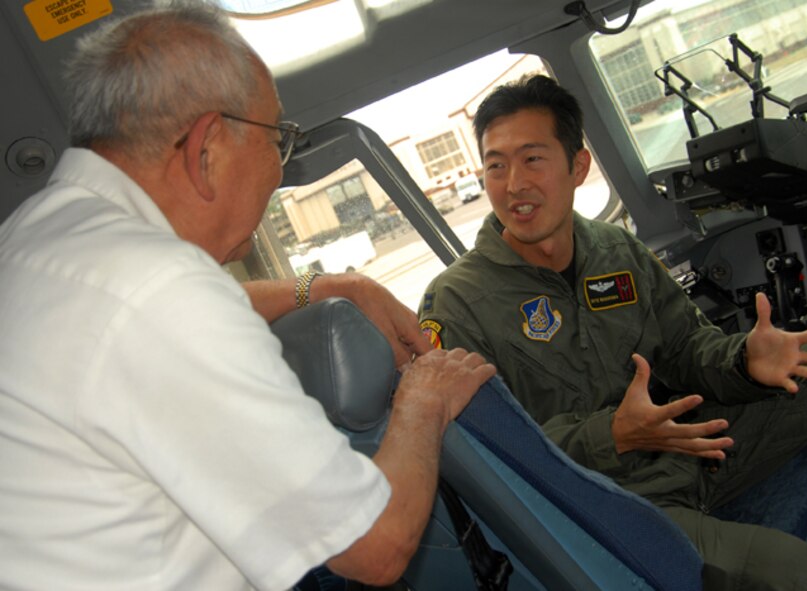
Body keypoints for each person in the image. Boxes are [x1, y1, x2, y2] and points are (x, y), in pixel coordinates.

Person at [0, 3, 497, 590]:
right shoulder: (160, 291)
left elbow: (157, 314)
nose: (279, 171)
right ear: (207, 149)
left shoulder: (37, 235)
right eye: (276, 140)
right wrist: (425, 398)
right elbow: (376, 547)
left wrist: (330, 285)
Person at [419, 74, 807, 590]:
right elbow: (490, 459)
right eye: (496, 165)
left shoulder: (616, 250)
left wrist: (743, 360)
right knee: (800, 576)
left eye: (532, 159)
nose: (513, 185)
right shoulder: (456, 302)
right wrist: (612, 435)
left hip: (687, 445)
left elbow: (687, 348)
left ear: (577, 166)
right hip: (609, 504)